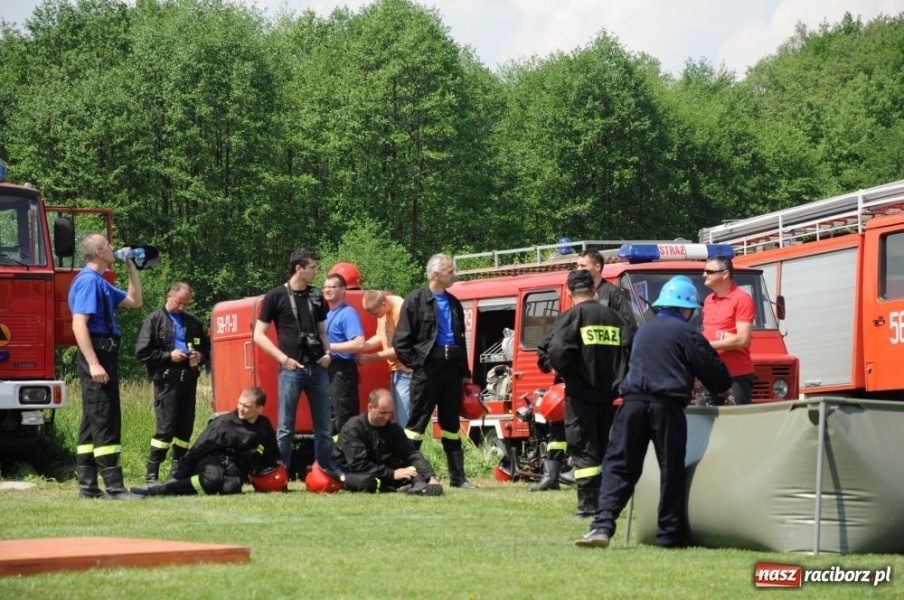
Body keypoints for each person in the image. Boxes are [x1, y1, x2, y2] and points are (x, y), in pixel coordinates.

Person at [576, 276, 732, 549]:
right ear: (688, 309)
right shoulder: (687, 333)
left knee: (619, 467)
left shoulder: (645, 331)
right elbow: (715, 374)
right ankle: (669, 536)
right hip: (666, 406)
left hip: (631, 404)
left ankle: (601, 526)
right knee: (671, 469)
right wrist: (722, 387)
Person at [537, 269, 632, 517]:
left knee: (583, 448)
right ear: (595, 290)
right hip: (611, 395)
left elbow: (556, 351)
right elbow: (631, 348)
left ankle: (588, 506)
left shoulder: (572, 316)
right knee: (603, 447)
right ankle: (606, 502)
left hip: (580, 394)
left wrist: (567, 372)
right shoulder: (615, 317)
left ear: (569, 293)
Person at [69, 234, 144, 500]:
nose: (114, 249)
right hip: (97, 355)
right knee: (105, 419)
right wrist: (93, 364)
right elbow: (79, 325)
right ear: (100, 253)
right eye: (110, 247)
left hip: (104, 355)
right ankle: (114, 487)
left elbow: (135, 301)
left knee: (93, 420)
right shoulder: (89, 282)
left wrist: (131, 266)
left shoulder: (101, 282)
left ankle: (88, 488)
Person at [392, 253, 476, 489]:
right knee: (417, 425)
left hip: (452, 370)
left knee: (451, 424)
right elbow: (401, 341)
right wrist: (416, 364)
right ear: (436, 274)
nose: (454, 275)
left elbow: (461, 340)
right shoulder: (415, 300)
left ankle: (458, 478)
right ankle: (408, 476)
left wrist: (465, 372)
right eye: (451, 271)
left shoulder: (453, 302)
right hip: (428, 370)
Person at [253, 248, 335, 476]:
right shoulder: (275, 296)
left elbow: (322, 331)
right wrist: (283, 359)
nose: (316, 272)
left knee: (324, 427)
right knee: (285, 428)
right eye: (313, 268)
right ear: (299, 268)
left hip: (318, 367)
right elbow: (258, 335)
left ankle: (325, 473)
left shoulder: (317, 295)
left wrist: (328, 354)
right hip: (291, 369)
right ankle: (281, 474)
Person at [131, 387, 280, 497]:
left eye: (246, 406)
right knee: (213, 480)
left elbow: (272, 454)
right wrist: (178, 476)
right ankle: (162, 489)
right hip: (210, 460)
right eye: (240, 403)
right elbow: (198, 448)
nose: (241, 408)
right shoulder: (224, 423)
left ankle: (179, 490)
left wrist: (278, 478)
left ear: (259, 409)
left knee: (231, 488)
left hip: (233, 469)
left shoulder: (264, 425)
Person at [135, 282, 210, 484]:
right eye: (179, 303)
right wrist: (169, 356)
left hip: (189, 379)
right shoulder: (154, 320)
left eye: (186, 304)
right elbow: (142, 352)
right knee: (166, 428)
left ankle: (178, 474)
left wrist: (199, 356)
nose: (182, 308)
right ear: (169, 296)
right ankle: (152, 474)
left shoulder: (193, 321)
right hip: (167, 380)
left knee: (184, 429)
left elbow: (206, 348)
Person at [333, 388, 443, 495]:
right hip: (350, 471)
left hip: (379, 469)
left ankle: (420, 485)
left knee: (410, 472)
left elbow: (411, 453)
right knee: (367, 482)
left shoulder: (392, 427)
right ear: (370, 407)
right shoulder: (353, 428)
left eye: (390, 413)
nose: (387, 417)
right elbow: (358, 464)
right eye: (382, 412)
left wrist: (431, 476)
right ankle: (396, 487)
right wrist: (392, 474)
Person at [698, 255, 756, 406]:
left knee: (736, 424)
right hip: (711, 373)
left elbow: (743, 340)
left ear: (725, 274)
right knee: (702, 421)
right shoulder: (709, 300)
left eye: (709, 271)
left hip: (737, 375)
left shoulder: (742, 299)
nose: (704, 274)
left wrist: (708, 346)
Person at [357, 290, 414, 429]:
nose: (372, 317)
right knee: (400, 417)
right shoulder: (383, 310)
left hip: (406, 370)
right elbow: (381, 336)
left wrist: (370, 358)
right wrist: (361, 347)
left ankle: (408, 449)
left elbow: (401, 349)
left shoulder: (400, 311)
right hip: (396, 370)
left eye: (374, 313)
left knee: (404, 419)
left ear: (383, 304)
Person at [322, 273, 365, 435]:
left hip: (343, 372)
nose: (328, 290)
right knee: (332, 419)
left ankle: (348, 457)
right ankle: (334, 457)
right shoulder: (327, 314)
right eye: (325, 287)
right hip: (329, 372)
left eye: (332, 287)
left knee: (344, 419)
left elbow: (359, 344)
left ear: (343, 290)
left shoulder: (348, 314)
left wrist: (328, 347)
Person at [576, 249, 635, 325]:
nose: (578, 269)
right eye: (577, 266)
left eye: (583, 266)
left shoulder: (612, 292)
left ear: (597, 267)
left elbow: (628, 324)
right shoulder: (578, 292)